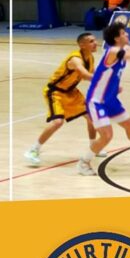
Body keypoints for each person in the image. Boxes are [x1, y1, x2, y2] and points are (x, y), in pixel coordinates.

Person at [77, 18, 130, 176]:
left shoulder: (122, 50)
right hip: (97, 101)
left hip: (110, 99)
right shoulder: (113, 51)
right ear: (117, 38)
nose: (127, 34)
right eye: (124, 33)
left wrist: (114, 87)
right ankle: (84, 162)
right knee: (107, 135)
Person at [24, 33, 101, 166]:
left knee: (92, 117)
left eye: (95, 40)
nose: (95, 43)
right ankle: (33, 150)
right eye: (91, 41)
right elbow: (85, 74)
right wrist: (106, 81)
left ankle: (93, 147)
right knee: (58, 122)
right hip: (56, 92)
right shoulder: (75, 59)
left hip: (71, 92)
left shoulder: (90, 57)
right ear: (82, 45)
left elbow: (90, 75)